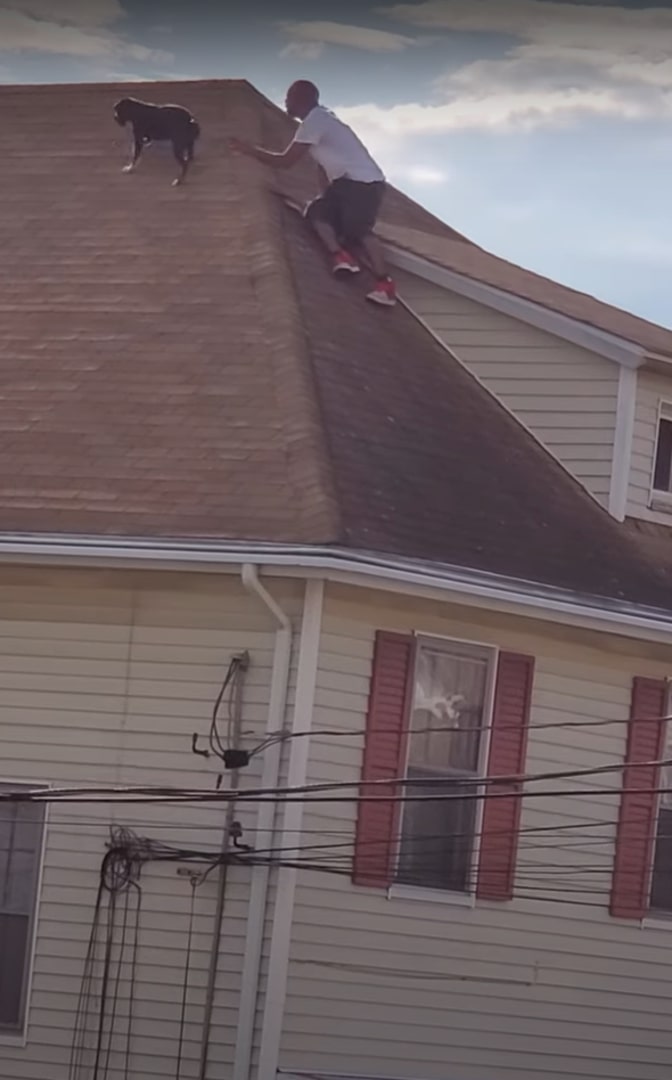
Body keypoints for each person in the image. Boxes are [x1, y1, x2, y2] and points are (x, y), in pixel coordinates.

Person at [228, 80, 397, 307]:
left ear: (302, 98)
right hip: (344, 183)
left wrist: (249, 150)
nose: (286, 102)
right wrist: (325, 197)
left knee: (358, 230)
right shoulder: (320, 122)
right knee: (316, 211)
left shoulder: (316, 121)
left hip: (365, 183)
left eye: (289, 98)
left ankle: (385, 286)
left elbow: (286, 161)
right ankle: (342, 257)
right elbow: (322, 165)